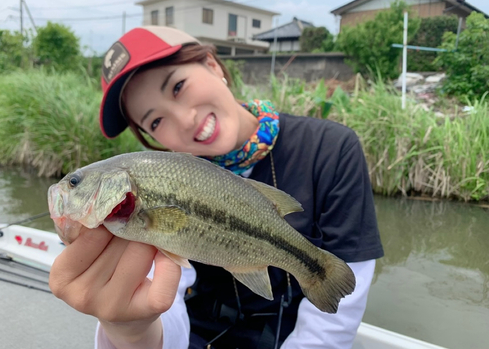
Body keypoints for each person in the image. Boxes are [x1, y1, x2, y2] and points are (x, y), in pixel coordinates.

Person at [49, 26, 384, 349]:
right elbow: (170, 308)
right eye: (155, 121)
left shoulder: (332, 148)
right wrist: (131, 332)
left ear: (212, 65)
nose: (184, 119)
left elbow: (335, 320)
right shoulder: (157, 186)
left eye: (177, 87)